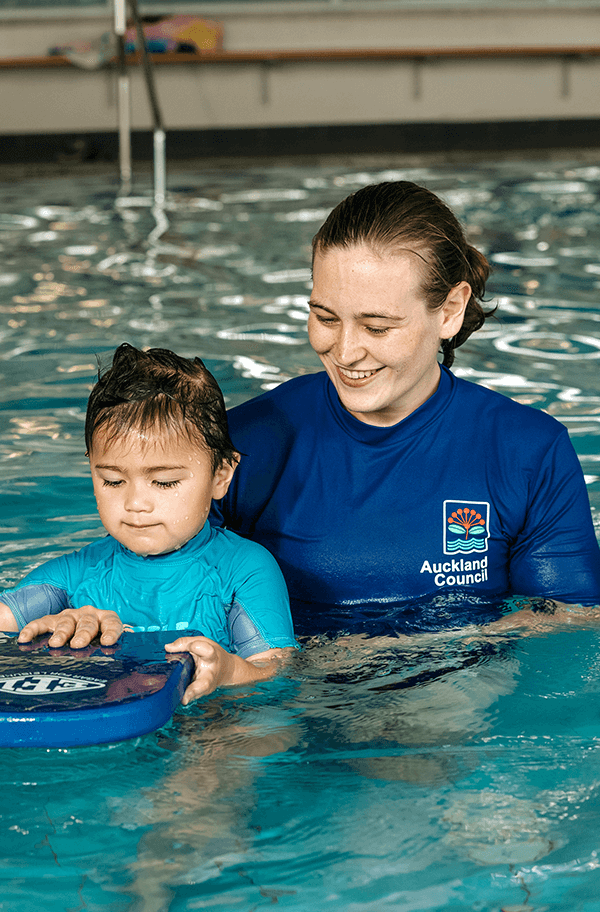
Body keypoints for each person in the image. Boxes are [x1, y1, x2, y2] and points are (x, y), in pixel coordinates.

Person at [210, 180, 600, 626]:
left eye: (377, 327)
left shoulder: (528, 452)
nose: (345, 351)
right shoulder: (244, 443)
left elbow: (568, 625)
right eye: (325, 317)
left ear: (451, 310)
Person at [0, 344, 296, 703]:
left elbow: (279, 672)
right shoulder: (75, 575)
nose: (135, 503)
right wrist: (45, 635)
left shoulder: (243, 569)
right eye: (112, 480)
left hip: (215, 723)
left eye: (165, 482)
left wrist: (229, 671)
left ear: (221, 474)